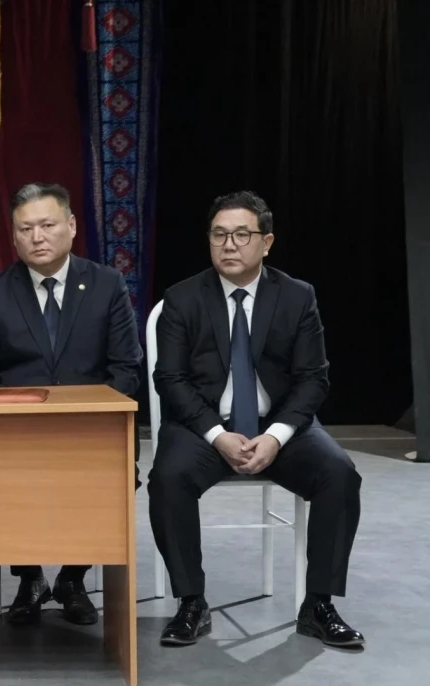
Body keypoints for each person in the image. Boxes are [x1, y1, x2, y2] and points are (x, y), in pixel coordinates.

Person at [149, 190, 364, 647]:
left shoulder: (297, 296)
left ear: (266, 242)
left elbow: (313, 379)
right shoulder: (182, 298)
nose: (229, 245)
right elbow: (170, 379)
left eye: (241, 235)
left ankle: (319, 604)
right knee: (167, 478)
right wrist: (217, 435)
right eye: (219, 235)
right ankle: (191, 603)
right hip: (204, 427)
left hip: (279, 427)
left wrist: (276, 436)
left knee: (339, 474)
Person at [0, 183, 142, 627]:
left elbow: (125, 369)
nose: (37, 237)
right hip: (16, 430)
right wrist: (18, 422)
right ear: (13, 236)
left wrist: (90, 419)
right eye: (25, 229)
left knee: (111, 470)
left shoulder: (107, 284)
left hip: (92, 429)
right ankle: (30, 579)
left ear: (72, 226)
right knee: (3, 471)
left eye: (47, 225)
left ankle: (73, 578)